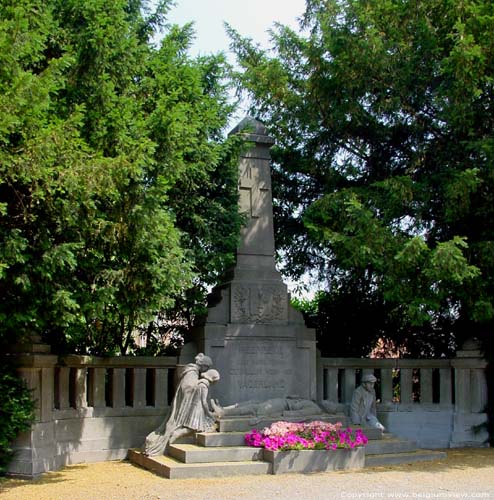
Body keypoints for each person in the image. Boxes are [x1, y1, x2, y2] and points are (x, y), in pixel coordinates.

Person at [143, 353, 214, 456]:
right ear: (204, 366)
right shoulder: (192, 373)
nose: (206, 370)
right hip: (185, 404)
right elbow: (187, 387)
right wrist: (199, 386)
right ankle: (170, 437)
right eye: (207, 367)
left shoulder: (193, 372)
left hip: (189, 403)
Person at [211, 395, 324, 419]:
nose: (328, 402)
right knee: (252, 401)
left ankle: (223, 413)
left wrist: (280, 415)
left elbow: (297, 414)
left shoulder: (315, 409)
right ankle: (224, 408)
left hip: (283, 406)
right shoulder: (311, 402)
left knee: (254, 408)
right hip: (281, 401)